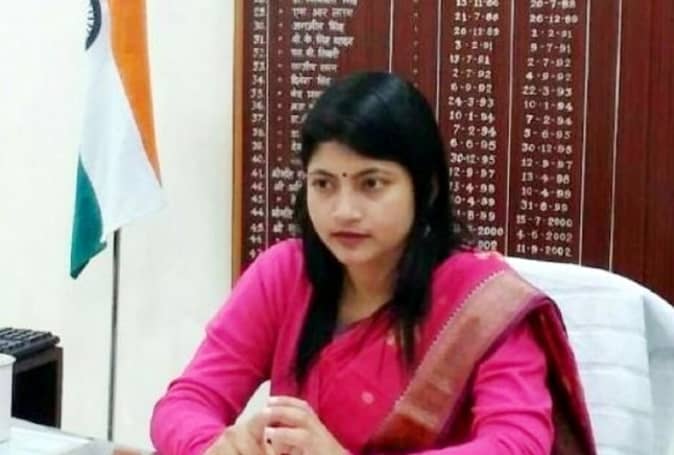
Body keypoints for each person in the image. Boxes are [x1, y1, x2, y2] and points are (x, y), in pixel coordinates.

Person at [150, 72, 596, 455]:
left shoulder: (483, 303)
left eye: (372, 184)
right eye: (323, 184)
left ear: (426, 189)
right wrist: (217, 446)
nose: (343, 210)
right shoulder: (285, 273)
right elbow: (185, 403)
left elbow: (517, 444)